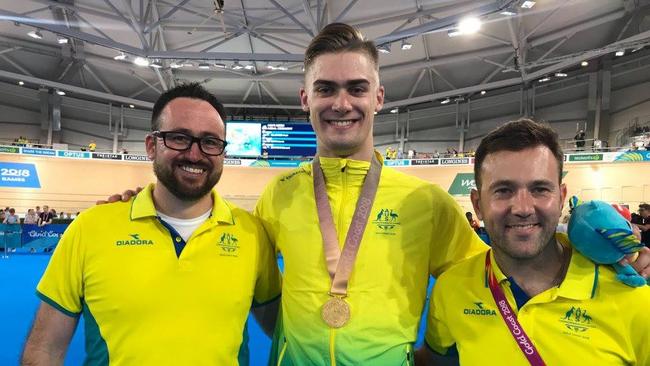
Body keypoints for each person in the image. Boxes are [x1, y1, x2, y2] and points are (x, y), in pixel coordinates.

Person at [253, 23, 487, 365]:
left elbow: (487, 276)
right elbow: (255, 280)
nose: (342, 103)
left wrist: (576, 253)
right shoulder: (279, 193)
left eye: (357, 89)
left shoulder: (425, 200)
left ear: (378, 97)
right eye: (326, 89)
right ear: (306, 99)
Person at [21, 83, 281, 365]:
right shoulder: (90, 228)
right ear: (151, 146)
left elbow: (288, 331)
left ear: (222, 152)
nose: (195, 154)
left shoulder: (252, 234)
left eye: (210, 142)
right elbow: (44, 350)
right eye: (179, 138)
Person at [419, 119, 650, 365]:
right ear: (477, 205)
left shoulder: (634, 299)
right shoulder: (452, 289)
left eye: (539, 189)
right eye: (503, 190)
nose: (523, 208)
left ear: (561, 198)